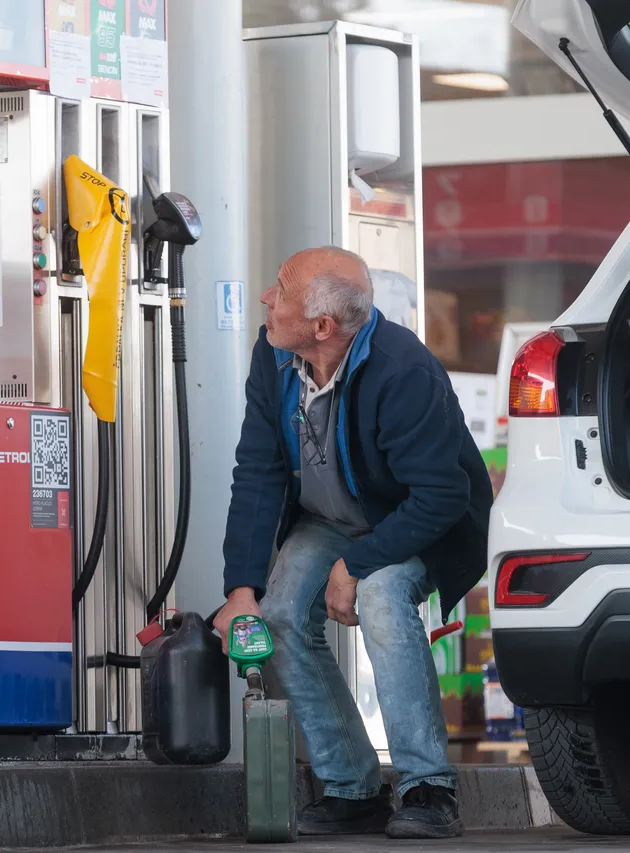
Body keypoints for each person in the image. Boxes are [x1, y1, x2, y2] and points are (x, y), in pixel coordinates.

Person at [212, 246, 492, 840]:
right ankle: (352, 788)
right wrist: (241, 590)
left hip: (414, 518)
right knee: (281, 611)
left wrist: (358, 565)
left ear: (323, 327)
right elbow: (257, 470)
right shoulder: (274, 353)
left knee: (384, 599)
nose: (267, 297)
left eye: (281, 290)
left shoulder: (403, 371)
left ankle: (427, 787)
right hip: (330, 517)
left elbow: (441, 496)